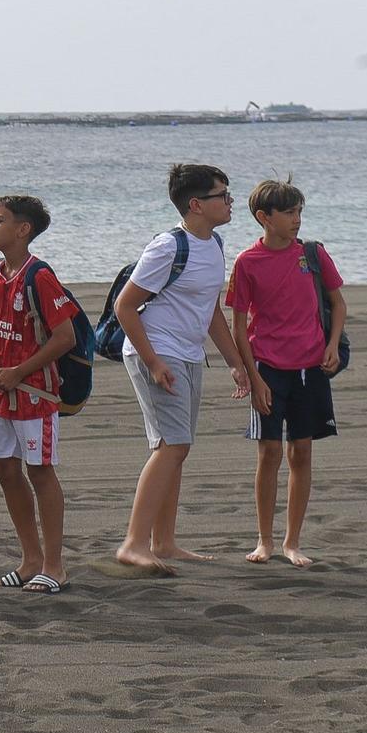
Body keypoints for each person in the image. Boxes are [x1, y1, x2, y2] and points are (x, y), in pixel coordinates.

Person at [113, 163, 251, 576]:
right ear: (196, 204)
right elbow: (124, 307)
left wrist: (235, 363)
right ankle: (133, 544)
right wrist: (154, 362)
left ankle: (164, 542)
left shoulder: (216, 243)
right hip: (155, 351)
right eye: (221, 196)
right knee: (172, 445)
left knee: (177, 448)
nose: (229, 202)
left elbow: (209, 311)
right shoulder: (168, 247)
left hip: (189, 354)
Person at [227, 177, 345, 568]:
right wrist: (253, 377)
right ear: (264, 217)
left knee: (302, 450)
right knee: (269, 452)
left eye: (299, 212)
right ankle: (264, 541)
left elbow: (337, 303)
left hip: (311, 367)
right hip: (268, 368)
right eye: (289, 212)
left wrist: (332, 345)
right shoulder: (247, 262)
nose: (297, 219)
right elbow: (238, 326)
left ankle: (292, 541)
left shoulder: (312, 254)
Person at [0, 195, 78, 593]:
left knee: (39, 471)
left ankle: (54, 566)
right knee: (4, 469)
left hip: (35, 392)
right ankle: (29, 559)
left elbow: (65, 337)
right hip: (0, 393)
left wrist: (20, 370)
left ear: (23, 230)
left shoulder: (39, 276)